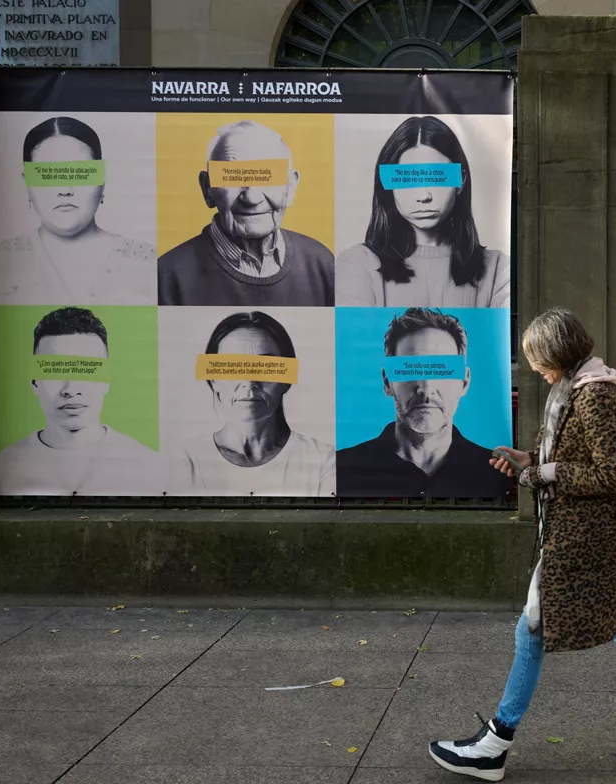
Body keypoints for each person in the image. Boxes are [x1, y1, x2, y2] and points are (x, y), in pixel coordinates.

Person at [429, 307, 616, 782]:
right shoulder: (573, 388)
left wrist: (541, 473)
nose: (535, 368)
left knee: (533, 627)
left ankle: (494, 745)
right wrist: (528, 458)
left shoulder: (594, 394)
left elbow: (611, 474)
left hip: (584, 538)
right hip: (580, 532)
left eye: (537, 359)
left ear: (556, 352)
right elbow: (573, 455)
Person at [336, 115, 510, 308]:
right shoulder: (357, 264)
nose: (423, 196)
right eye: (407, 179)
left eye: (437, 177)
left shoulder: (497, 268)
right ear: (387, 185)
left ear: (460, 181)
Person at [0, 116, 156, 306]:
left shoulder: (150, 264)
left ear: (102, 178)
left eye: (80, 173)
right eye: (48, 175)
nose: (64, 190)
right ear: (26, 182)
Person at [0, 307, 160, 496]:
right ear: (34, 382)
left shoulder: (151, 467)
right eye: (55, 370)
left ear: (106, 381)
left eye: (87, 370)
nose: (71, 390)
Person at [336, 307, 509, 498]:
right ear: (387, 382)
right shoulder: (340, 469)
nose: (426, 388)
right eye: (410, 369)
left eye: (442, 370)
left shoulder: (498, 474)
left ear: (464, 382)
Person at [158, 120, 335, 307]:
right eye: (233, 176)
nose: (252, 198)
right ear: (207, 188)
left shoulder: (321, 264)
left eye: (267, 176)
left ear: (290, 187)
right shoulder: (167, 276)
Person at [173, 311, 335, 497]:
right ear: (214, 380)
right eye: (233, 367)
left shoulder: (323, 460)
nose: (249, 382)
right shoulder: (183, 460)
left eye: (265, 367)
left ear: (287, 379)